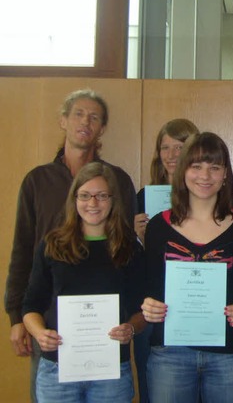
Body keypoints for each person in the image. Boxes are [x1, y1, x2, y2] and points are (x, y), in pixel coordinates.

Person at [4, 88, 136, 402]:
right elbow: (22, 250)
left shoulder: (119, 181)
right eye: (78, 113)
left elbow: (126, 247)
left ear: (102, 128)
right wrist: (17, 318)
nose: (85, 122)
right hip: (51, 329)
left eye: (94, 117)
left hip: (107, 339)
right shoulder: (37, 180)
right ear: (63, 120)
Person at [141, 132, 233, 403]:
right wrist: (148, 304)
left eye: (214, 167)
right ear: (183, 170)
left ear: (225, 174)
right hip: (170, 353)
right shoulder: (158, 227)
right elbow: (148, 287)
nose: (205, 176)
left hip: (229, 352)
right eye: (196, 166)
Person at [22, 162, 145, 403]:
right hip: (58, 371)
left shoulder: (129, 247)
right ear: (74, 198)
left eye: (101, 196)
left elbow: (141, 309)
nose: (93, 204)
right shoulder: (52, 245)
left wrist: (130, 328)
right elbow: (30, 306)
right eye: (85, 195)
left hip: (111, 374)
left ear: (113, 200)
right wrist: (39, 333)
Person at [132, 118, 198, 403]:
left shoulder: (210, 198)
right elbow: (132, 263)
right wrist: (137, 237)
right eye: (165, 147)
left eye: (180, 146)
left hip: (196, 304)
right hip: (154, 305)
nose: (172, 155)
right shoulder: (145, 197)